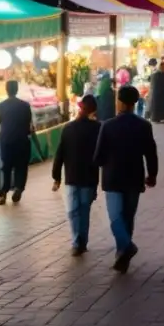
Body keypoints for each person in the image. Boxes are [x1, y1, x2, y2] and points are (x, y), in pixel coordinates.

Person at [94, 86, 158, 273]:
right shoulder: (144, 126)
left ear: (119, 102)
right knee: (128, 217)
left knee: (115, 218)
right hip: (134, 178)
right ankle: (123, 253)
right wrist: (152, 174)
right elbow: (151, 153)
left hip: (112, 178)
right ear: (135, 103)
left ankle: (125, 249)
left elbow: (98, 157)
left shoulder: (107, 126)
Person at [51, 94, 102, 256]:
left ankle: (77, 242)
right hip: (87, 178)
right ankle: (80, 242)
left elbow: (59, 154)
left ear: (81, 108)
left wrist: (57, 177)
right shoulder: (97, 128)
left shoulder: (69, 128)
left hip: (72, 177)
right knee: (83, 210)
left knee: (73, 211)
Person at [0, 79, 34, 206]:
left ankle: (3, 194)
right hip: (22, 141)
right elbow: (29, 124)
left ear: (6, 90)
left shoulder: (0, 106)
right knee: (21, 166)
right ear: (17, 89)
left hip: (6, 142)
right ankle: (19, 188)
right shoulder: (25, 106)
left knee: (6, 167)